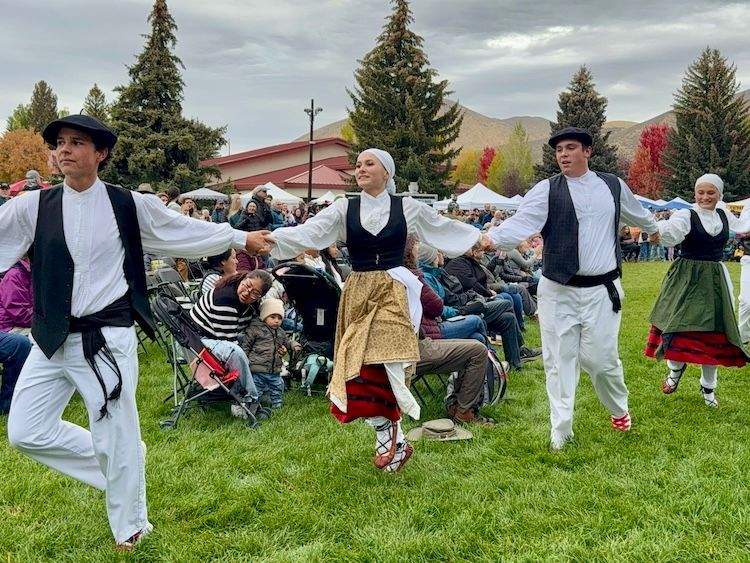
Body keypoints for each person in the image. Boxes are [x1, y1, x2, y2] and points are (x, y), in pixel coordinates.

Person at [0, 114, 271, 550]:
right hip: (50, 338)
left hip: (107, 338)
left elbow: (182, 230)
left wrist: (238, 239)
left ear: (100, 153)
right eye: (60, 143)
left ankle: (131, 526)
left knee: (116, 431)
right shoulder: (33, 206)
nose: (64, 150)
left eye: (76, 142)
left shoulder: (127, 203)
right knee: (26, 431)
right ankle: (122, 463)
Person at [266, 148, 485, 473]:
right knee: (359, 368)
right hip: (359, 294)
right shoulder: (344, 208)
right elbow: (309, 232)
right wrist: (270, 238)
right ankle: (393, 441)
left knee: (390, 362)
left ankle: (393, 438)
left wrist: (484, 237)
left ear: (387, 172)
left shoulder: (407, 208)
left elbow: (443, 228)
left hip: (394, 292)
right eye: (358, 164)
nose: (361, 168)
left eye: (370, 163)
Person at [487, 126, 659, 450]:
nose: (563, 154)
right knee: (558, 359)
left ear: (587, 151)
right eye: (559, 150)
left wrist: (655, 230)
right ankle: (561, 431)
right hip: (558, 289)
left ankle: (618, 407)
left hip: (602, 290)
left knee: (600, 360)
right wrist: (489, 239)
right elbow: (521, 223)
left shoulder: (612, 186)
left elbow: (641, 215)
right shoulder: (546, 190)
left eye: (570, 148)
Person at [646, 174, 750, 407]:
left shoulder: (723, 214)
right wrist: (657, 231)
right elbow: (672, 229)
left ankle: (708, 388)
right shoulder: (687, 215)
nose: (705, 197)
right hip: (687, 278)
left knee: (714, 333)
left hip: (715, 278)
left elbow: (744, 224)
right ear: (695, 194)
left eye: (711, 193)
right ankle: (674, 371)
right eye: (700, 192)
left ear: (719, 195)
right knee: (677, 325)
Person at [190, 270, 273, 419]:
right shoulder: (225, 299)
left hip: (216, 337)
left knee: (260, 341)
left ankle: (264, 385)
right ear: (244, 278)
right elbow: (228, 342)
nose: (247, 293)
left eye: (255, 293)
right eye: (247, 285)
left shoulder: (248, 302)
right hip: (197, 343)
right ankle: (249, 400)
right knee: (236, 352)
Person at [242, 297, 301, 409]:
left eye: (279, 318)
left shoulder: (280, 332)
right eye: (272, 317)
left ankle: (277, 403)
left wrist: (293, 345)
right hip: (258, 368)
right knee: (256, 388)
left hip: (274, 369)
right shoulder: (255, 330)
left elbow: (287, 341)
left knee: (277, 386)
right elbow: (246, 345)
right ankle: (254, 406)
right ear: (264, 316)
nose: (276, 320)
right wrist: (244, 360)